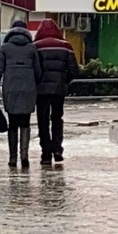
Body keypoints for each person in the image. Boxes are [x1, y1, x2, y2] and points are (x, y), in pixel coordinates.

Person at [0, 23, 41, 168]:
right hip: (28, 89)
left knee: (12, 123)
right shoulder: (32, 48)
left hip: (10, 89)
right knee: (25, 122)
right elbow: (38, 72)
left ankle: (13, 158)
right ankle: (24, 157)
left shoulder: (5, 48)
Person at [33, 19, 80, 165]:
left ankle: (45, 153)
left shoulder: (35, 47)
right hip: (59, 90)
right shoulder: (66, 46)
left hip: (41, 91)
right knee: (57, 118)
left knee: (43, 120)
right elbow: (74, 70)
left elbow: (32, 69)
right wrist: (65, 82)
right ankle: (58, 149)